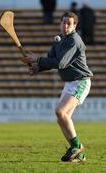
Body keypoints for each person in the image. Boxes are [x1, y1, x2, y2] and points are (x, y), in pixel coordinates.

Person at [21, 11, 93, 162]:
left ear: (74, 25)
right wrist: (37, 68)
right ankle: (79, 154)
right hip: (69, 82)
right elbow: (51, 60)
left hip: (81, 81)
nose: (66, 25)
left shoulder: (74, 40)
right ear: (60, 23)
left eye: (69, 23)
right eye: (63, 22)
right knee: (61, 118)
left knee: (60, 111)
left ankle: (77, 146)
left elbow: (60, 63)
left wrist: (37, 59)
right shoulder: (59, 40)